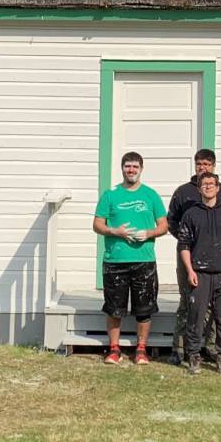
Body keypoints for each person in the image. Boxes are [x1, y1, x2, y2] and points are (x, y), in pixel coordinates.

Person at [93, 151, 168, 365]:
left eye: (135, 167)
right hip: (115, 260)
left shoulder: (150, 195)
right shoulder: (110, 194)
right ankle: (114, 349)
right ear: (122, 168)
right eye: (127, 166)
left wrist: (149, 233)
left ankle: (141, 350)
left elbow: (164, 225)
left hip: (143, 259)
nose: (131, 170)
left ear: (141, 169)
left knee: (144, 309)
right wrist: (115, 231)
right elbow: (97, 224)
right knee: (114, 308)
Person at [167, 148, 221, 365]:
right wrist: (191, 243)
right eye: (199, 164)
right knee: (188, 300)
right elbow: (172, 221)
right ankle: (180, 348)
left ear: (213, 166)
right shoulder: (183, 192)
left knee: (215, 306)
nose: (202, 168)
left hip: (218, 259)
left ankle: (210, 347)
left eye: (207, 164)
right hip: (189, 255)